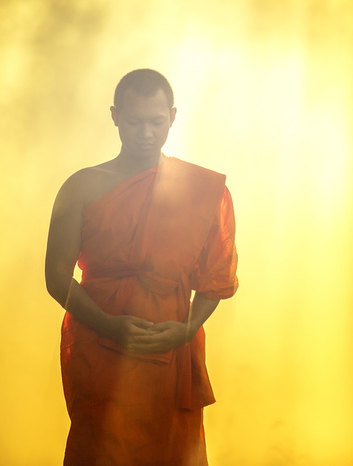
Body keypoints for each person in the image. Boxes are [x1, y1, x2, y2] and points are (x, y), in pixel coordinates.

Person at [45, 69, 238, 465]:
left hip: (170, 347)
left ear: (173, 116)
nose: (146, 133)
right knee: (102, 449)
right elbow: (55, 277)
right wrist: (107, 324)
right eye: (135, 122)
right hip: (99, 346)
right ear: (115, 116)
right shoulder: (82, 186)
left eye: (156, 122)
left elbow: (216, 280)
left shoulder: (202, 191)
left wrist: (186, 329)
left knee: (170, 449)